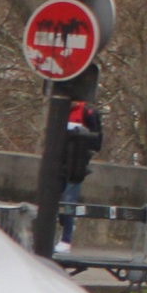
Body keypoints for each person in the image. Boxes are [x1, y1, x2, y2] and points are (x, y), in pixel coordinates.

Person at [54, 100, 102, 256]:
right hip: (60, 163)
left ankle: (66, 239)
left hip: (76, 166)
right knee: (57, 201)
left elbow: (96, 141)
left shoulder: (87, 113)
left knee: (68, 200)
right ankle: (64, 228)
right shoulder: (61, 111)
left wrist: (84, 156)